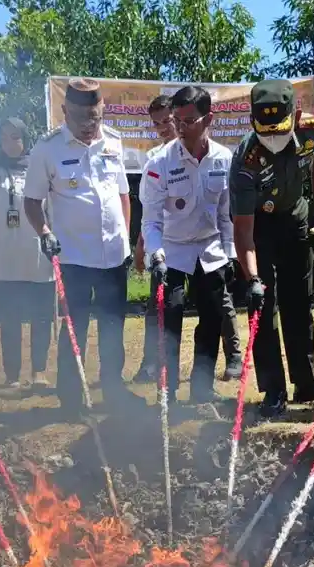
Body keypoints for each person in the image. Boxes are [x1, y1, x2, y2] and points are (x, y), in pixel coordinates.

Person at [24, 77, 140, 414]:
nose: (89, 125)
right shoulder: (47, 149)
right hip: (73, 255)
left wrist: (126, 239)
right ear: (65, 111)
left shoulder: (113, 141)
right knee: (75, 327)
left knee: (112, 326)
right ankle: (71, 397)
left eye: (95, 117)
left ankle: (114, 390)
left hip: (113, 254)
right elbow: (32, 201)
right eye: (81, 118)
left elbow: (122, 195)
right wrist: (44, 232)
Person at [231, 79, 314, 418]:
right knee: (263, 307)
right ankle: (273, 388)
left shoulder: (311, 130)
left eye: (279, 129)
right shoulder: (245, 160)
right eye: (266, 132)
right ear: (252, 121)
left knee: (299, 302)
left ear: (296, 115)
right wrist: (252, 278)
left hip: (296, 218)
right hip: (259, 227)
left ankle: (306, 380)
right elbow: (243, 229)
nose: (273, 139)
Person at [140, 86, 235, 403]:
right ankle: (166, 391)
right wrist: (156, 255)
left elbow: (226, 216)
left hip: (210, 251)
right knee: (170, 318)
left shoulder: (224, 159)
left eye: (189, 121)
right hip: (172, 251)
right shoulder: (159, 162)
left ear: (209, 119)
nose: (181, 128)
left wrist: (230, 255)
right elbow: (151, 220)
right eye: (176, 120)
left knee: (212, 319)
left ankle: (202, 390)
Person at [0, 117, 54, 388]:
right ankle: (12, 375)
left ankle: (39, 372)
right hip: (5, 258)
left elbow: (51, 211)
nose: (9, 143)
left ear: (25, 138)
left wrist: (56, 246)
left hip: (38, 257)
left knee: (41, 317)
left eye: (15, 137)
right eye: (3, 138)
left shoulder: (40, 169)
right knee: (10, 319)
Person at [132, 95, 179, 383]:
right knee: (157, 304)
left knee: (217, 302)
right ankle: (150, 364)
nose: (162, 128)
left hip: (197, 241)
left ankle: (233, 357)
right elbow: (148, 210)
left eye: (167, 121)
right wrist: (142, 246)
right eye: (157, 123)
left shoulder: (197, 151)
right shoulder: (153, 159)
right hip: (161, 242)